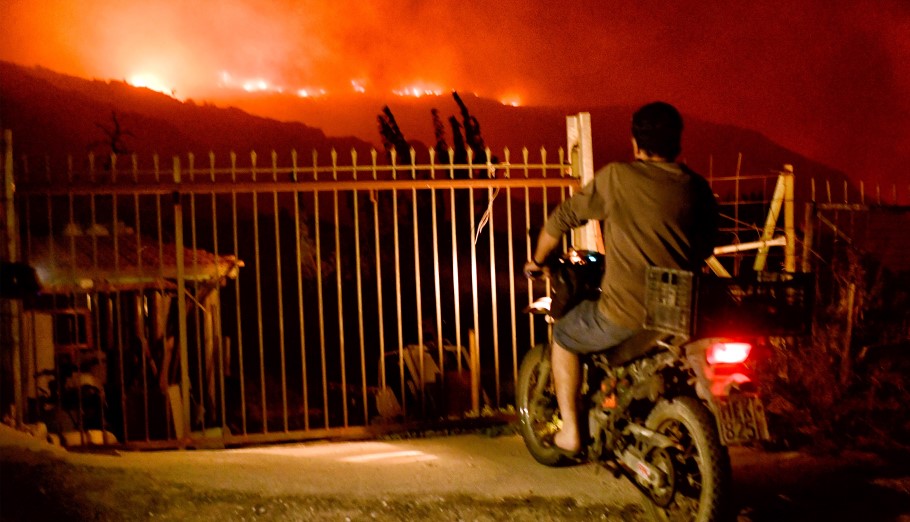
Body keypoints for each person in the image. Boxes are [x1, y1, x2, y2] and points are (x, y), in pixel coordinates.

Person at [523, 101, 718, 455]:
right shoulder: (697, 187)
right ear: (678, 142)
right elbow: (706, 246)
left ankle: (570, 432)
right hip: (682, 312)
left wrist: (537, 261)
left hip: (627, 314)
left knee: (565, 335)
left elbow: (561, 219)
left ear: (635, 143)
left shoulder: (618, 178)